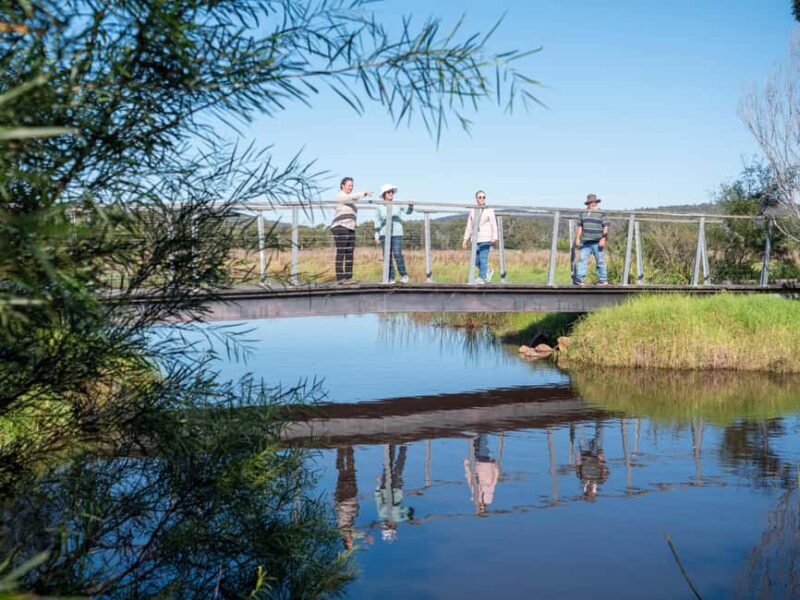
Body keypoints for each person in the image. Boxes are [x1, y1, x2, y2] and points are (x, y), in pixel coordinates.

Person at [331, 176, 372, 283]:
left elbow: (352, 199)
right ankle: (340, 277)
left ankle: (348, 277)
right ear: (342, 186)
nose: (351, 187)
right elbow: (351, 198)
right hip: (340, 227)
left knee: (350, 252)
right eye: (349, 185)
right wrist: (363, 193)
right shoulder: (341, 196)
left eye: (352, 185)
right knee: (342, 251)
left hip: (350, 227)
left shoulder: (350, 198)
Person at [374, 184, 413, 284]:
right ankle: (390, 278)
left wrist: (410, 206)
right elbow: (377, 221)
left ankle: (404, 275)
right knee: (387, 256)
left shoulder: (397, 203)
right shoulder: (379, 206)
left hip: (397, 233)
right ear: (384, 194)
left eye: (392, 192)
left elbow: (408, 212)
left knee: (397, 253)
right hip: (384, 233)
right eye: (388, 192)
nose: (391, 193)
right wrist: (376, 235)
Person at [461, 190, 498, 284]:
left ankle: (482, 277)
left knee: (483, 258)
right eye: (480, 197)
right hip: (475, 239)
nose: (482, 199)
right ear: (476, 199)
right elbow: (469, 226)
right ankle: (486, 271)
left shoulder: (489, 209)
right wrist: (465, 239)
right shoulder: (472, 210)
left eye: (484, 197)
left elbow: (494, 223)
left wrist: (495, 237)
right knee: (475, 260)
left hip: (486, 238)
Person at [574, 193, 610, 286]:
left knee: (600, 260)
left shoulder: (601, 212)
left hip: (597, 241)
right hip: (586, 241)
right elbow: (580, 226)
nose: (593, 203)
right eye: (591, 202)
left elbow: (606, 226)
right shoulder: (583, 213)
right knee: (582, 259)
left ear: (596, 202)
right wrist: (577, 238)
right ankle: (579, 279)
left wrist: (603, 238)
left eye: (594, 202)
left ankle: (603, 279)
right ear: (588, 204)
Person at [463, 433, 499, 515]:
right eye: (482, 509)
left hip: (479, 467)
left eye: (481, 509)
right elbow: (493, 483)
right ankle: (481, 431)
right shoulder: (488, 498)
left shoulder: (475, 498)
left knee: (477, 447)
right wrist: (496, 468)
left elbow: (471, 481)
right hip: (486, 467)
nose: (482, 507)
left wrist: (466, 466)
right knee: (482, 447)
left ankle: (479, 431)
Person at [575, 422, 609, 501]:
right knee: (600, 432)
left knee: (579, 430)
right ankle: (600, 417)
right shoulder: (601, 480)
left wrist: (577, 456)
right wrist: (602, 459)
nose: (589, 492)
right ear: (594, 493)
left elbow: (578, 466)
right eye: (591, 494)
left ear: (586, 491)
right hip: (596, 454)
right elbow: (605, 470)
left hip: (584, 453)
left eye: (587, 493)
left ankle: (579, 417)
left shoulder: (582, 479)